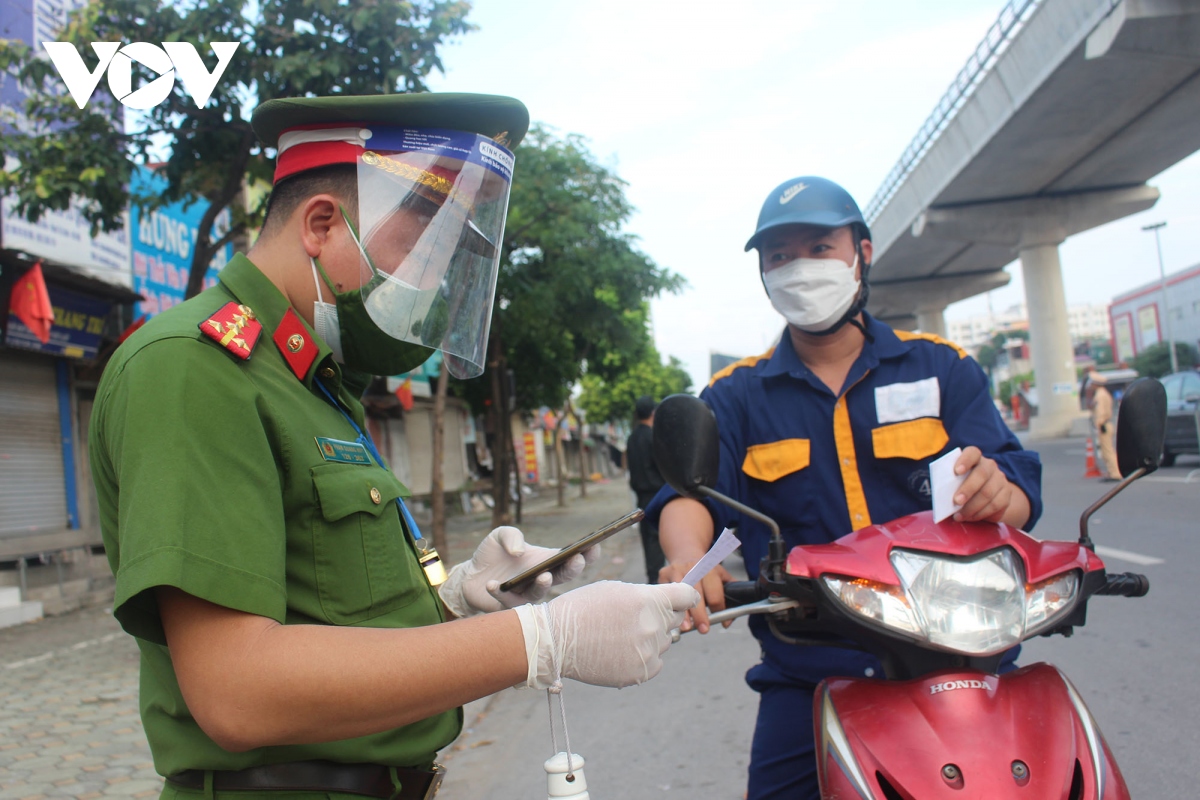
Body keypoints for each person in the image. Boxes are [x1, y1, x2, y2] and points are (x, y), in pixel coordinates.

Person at [90, 93, 698, 800]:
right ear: (322, 224)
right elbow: (236, 690)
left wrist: (465, 603)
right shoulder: (193, 369)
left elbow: (329, 611)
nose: (429, 283)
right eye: (420, 249)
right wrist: (539, 640)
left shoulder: (314, 380)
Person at [647, 177, 1043, 800]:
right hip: (809, 670)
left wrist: (999, 494)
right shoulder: (735, 395)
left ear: (863, 251)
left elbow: (1015, 485)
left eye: (819, 246)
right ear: (762, 274)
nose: (799, 267)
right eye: (779, 255)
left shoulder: (941, 367)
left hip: (963, 657)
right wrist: (688, 562)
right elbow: (691, 497)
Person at [626, 395, 667, 583]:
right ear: (653, 412)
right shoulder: (655, 437)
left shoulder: (631, 439)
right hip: (659, 496)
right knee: (661, 542)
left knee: (649, 544)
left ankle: (653, 583)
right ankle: (662, 586)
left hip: (642, 499)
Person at [1088, 372, 1121, 480]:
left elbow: (1101, 412)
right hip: (1105, 424)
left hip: (1104, 425)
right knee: (1105, 450)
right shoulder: (1102, 393)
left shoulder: (1100, 395)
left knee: (1108, 451)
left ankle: (1115, 473)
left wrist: (1098, 424)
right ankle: (1110, 471)